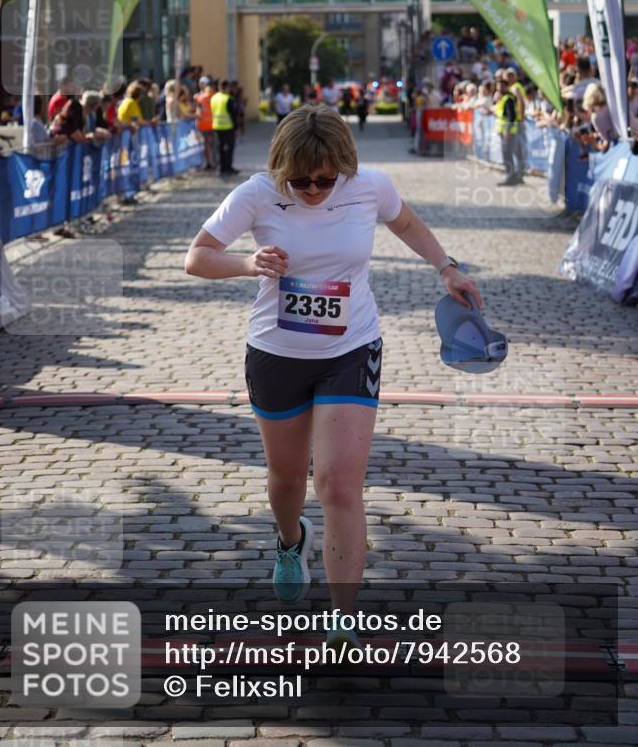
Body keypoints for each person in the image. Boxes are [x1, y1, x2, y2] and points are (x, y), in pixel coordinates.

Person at [184, 105, 482, 642]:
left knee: (339, 484)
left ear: (344, 166)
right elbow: (197, 257)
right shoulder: (256, 193)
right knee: (288, 481)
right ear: (281, 168)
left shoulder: (369, 186)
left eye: (325, 180)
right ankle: (289, 540)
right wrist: (249, 264)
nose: (313, 190)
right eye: (300, 181)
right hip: (276, 354)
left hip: (352, 348)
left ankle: (343, 620)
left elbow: (405, 223)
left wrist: (447, 267)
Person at [494, 75, 520, 185]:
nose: (499, 88)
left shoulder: (508, 98)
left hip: (508, 132)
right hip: (505, 131)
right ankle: (512, 177)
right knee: (508, 155)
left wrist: (507, 132)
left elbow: (511, 117)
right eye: (498, 86)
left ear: (506, 86)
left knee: (508, 155)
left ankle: (510, 177)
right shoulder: (503, 98)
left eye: (501, 86)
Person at [211, 79, 239, 176]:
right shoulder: (228, 98)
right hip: (228, 126)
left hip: (216, 126)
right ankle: (228, 167)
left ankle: (221, 167)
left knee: (219, 147)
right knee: (229, 147)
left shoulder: (214, 98)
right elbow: (233, 115)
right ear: (227, 87)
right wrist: (236, 128)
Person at [194, 79, 216, 170]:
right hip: (213, 124)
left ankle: (208, 163)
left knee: (205, 145)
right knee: (213, 145)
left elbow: (198, 112)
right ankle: (214, 163)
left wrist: (196, 122)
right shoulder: (215, 96)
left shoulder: (200, 98)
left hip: (203, 125)